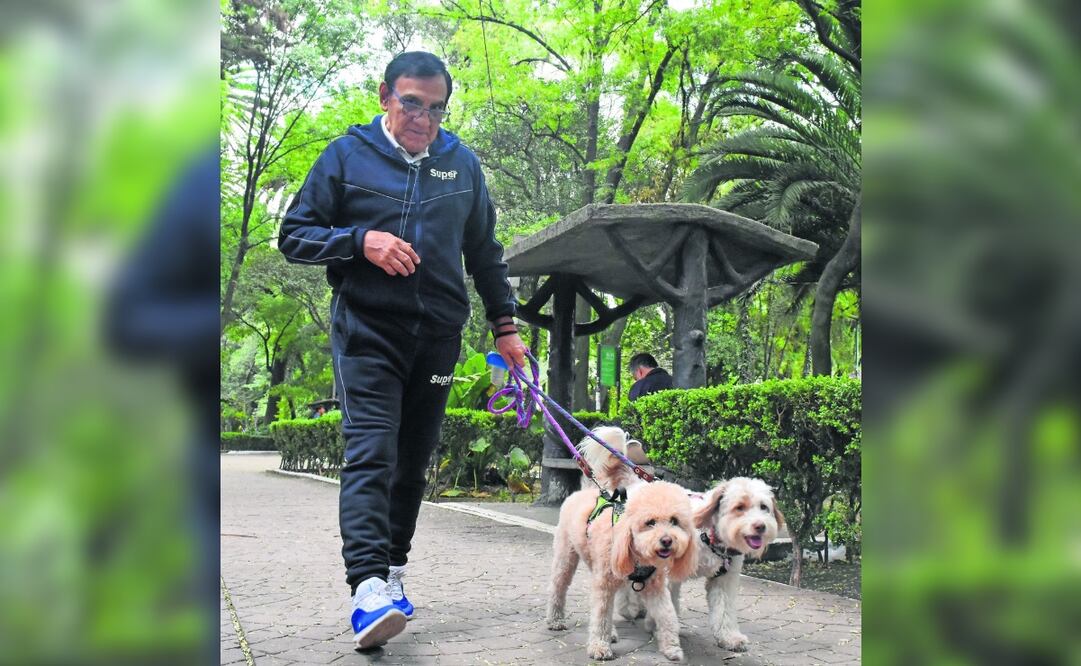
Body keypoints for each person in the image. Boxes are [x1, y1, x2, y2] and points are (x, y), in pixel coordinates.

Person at [277, 52, 527, 650]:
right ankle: (367, 588)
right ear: (385, 95)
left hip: (437, 336)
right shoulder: (346, 156)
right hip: (368, 331)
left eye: (437, 108)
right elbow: (293, 235)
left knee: (413, 460)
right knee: (372, 449)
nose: (423, 119)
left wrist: (506, 327)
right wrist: (360, 241)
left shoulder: (462, 165)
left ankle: (392, 570)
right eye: (412, 103)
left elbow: (485, 253)